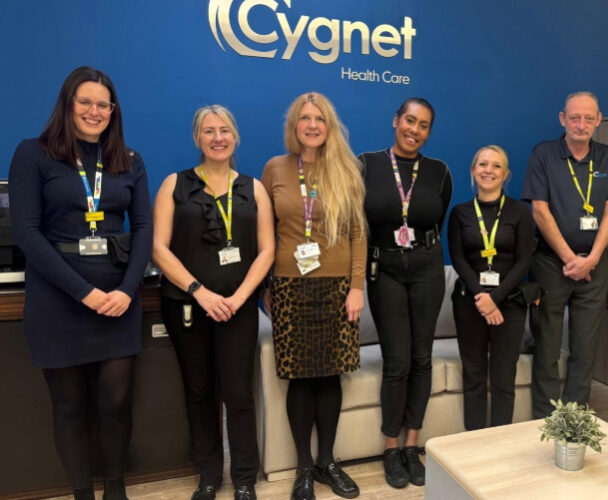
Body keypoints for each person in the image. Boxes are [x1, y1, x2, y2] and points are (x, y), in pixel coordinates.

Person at [9, 66, 152, 500]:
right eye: (85, 102)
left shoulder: (129, 161)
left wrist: (126, 291)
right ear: (68, 105)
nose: (95, 111)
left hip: (117, 300)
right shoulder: (33, 154)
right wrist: (84, 292)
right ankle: (81, 494)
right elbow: (27, 233)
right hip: (59, 299)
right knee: (69, 406)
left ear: (114, 110)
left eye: (103, 104)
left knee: (116, 404)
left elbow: (144, 227)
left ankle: (115, 490)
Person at [152, 105, 274, 500]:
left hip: (238, 309)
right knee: (200, 391)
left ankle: (243, 478)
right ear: (197, 138)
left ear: (235, 137)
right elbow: (158, 248)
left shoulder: (253, 189)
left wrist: (239, 298)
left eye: (225, 130)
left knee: (238, 393)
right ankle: (208, 474)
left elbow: (268, 250)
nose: (217, 137)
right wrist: (200, 292)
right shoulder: (175, 184)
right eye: (209, 131)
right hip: (187, 306)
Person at [261, 92, 366, 500]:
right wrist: (267, 283)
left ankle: (327, 463)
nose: (312, 125)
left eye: (319, 118)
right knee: (300, 379)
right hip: (289, 285)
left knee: (330, 375)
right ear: (294, 125)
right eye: (304, 118)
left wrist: (356, 287)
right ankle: (303, 468)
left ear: (330, 126)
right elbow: (264, 230)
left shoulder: (347, 169)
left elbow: (358, 233)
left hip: (338, 285)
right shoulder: (275, 168)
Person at [359, 97, 452, 489]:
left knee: (422, 358)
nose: (415, 130)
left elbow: (438, 216)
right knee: (397, 361)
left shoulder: (439, 172)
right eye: (409, 121)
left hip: (428, 267)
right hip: (385, 268)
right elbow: (357, 221)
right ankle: (391, 448)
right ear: (395, 120)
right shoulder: (366, 164)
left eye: (424, 125)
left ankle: (413, 446)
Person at [521, 91, 608, 419]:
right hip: (552, 264)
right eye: (575, 117)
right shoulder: (544, 154)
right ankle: (546, 418)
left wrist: (593, 258)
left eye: (588, 118)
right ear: (562, 119)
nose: (581, 124)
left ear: (599, 120)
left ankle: (575, 417)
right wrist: (570, 258)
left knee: (584, 347)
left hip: (595, 265)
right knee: (548, 347)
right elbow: (540, 210)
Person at [447, 145, 535, 430]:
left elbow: (524, 261)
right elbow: (459, 259)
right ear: (473, 170)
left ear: (506, 174)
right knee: (473, 374)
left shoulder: (521, 211)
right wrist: (482, 298)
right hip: (470, 302)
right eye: (483, 164)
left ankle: (499, 442)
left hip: (508, 303)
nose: (489, 170)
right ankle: (474, 440)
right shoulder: (460, 213)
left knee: (503, 377)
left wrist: (495, 299)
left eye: (496, 166)